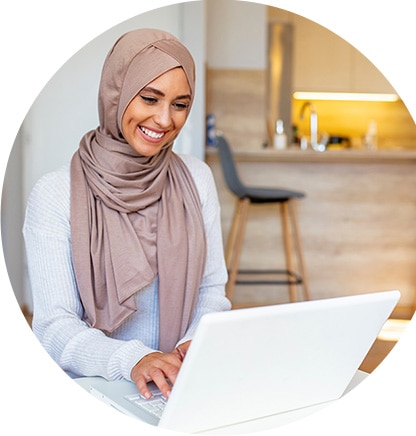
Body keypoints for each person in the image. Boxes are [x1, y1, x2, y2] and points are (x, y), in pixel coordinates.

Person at [23, 28, 231, 401]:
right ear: (116, 93)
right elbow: (53, 327)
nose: (165, 120)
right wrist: (135, 360)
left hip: (178, 387)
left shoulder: (197, 179)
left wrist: (190, 346)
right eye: (150, 98)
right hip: (93, 390)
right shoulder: (55, 195)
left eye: (180, 104)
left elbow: (211, 290)